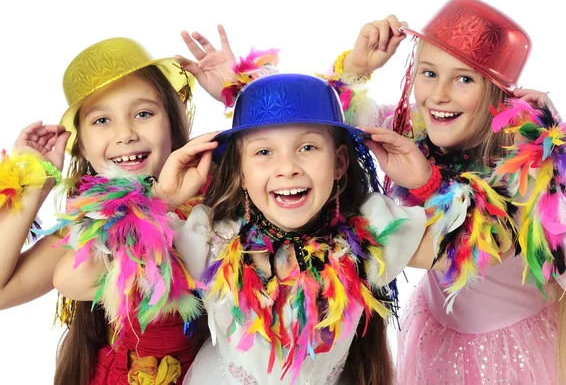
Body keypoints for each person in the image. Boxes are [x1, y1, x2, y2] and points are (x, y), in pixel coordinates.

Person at [325, 0, 566, 384]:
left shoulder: (524, 164)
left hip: (513, 353)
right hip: (438, 333)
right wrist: (355, 69)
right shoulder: (415, 131)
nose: (438, 95)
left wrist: (553, 164)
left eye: (464, 78)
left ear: (497, 94)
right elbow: (321, 140)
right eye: (429, 72)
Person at [160, 72, 427, 384]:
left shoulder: (369, 236)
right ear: (242, 172)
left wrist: (423, 183)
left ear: (339, 163)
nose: (287, 168)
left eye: (308, 147)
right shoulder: (211, 239)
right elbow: (120, 257)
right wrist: (162, 199)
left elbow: (461, 246)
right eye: (263, 152)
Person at [0, 29, 234, 384]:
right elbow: (60, 280)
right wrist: (37, 182)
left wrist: (239, 93)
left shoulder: (220, 192)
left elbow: (289, 166)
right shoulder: (90, 227)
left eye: (143, 113)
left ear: (173, 120)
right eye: (101, 120)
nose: (125, 133)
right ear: (81, 146)